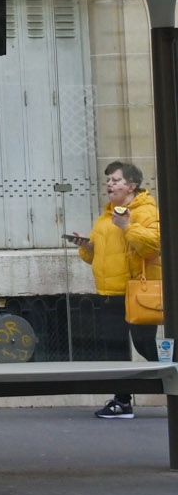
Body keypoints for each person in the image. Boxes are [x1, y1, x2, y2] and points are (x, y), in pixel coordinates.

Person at [68, 160, 162, 419]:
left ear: (132, 186)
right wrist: (85, 246)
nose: (110, 184)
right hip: (109, 293)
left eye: (116, 180)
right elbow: (96, 256)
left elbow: (153, 247)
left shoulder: (146, 211)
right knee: (115, 350)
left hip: (135, 293)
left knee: (146, 346)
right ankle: (122, 403)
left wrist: (127, 226)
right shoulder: (106, 216)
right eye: (108, 180)